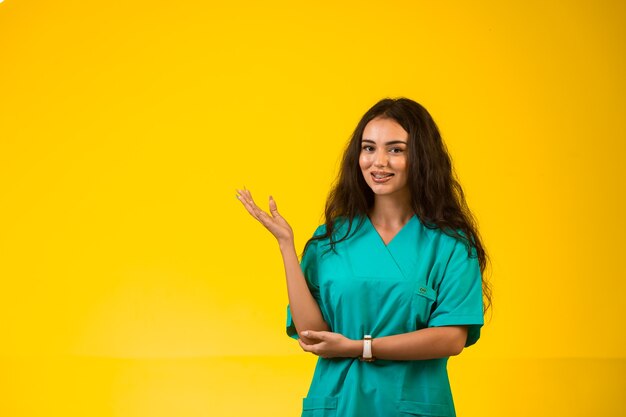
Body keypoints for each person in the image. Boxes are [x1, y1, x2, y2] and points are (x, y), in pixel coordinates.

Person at [236, 97, 492, 417]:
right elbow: (311, 334)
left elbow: (451, 338)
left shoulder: (450, 245)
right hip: (338, 403)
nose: (378, 161)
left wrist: (361, 348)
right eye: (369, 148)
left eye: (395, 149)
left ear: (422, 158)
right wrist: (286, 246)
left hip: (412, 406)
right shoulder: (330, 240)